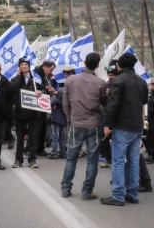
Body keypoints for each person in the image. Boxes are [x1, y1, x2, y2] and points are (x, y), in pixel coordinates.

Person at [101, 53, 148, 206]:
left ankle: (118, 195)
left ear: (119, 66)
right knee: (133, 161)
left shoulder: (118, 80)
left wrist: (107, 124)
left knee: (118, 161)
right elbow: (145, 100)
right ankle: (133, 194)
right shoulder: (141, 81)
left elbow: (112, 104)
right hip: (137, 125)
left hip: (122, 125)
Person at [60, 53, 107, 200]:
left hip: (76, 123)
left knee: (71, 158)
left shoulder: (70, 80)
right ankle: (87, 192)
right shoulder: (101, 82)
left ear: (84, 62)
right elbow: (104, 105)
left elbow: (65, 104)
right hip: (94, 125)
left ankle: (66, 189)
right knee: (92, 160)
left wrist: (70, 119)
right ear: (97, 65)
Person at [10, 58, 45, 169]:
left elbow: (44, 90)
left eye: (25, 64)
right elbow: (13, 90)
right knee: (20, 138)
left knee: (32, 138)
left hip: (33, 113)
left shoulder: (36, 79)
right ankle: (18, 160)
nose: (24, 66)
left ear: (29, 67)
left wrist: (40, 92)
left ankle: (32, 159)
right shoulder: (16, 79)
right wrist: (19, 77)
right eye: (22, 64)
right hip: (20, 113)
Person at [33, 59, 57, 156]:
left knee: (43, 127)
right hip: (36, 106)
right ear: (45, 67)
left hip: (43, 105)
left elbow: (44, 88)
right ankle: (34, 148)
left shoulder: (44, 77)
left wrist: (49, 90)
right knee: (37, 128)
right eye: (50, 70)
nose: (50, 73)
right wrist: (44, 91)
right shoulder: (36, 76)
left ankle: (40, 148)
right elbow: (35, 89)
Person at [48, 87, 66, 160]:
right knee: (61, 137)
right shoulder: (65, 101)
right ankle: (62, 152)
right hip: (63, 120)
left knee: (55, 136)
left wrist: (54, 95)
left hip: (56, 119)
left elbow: (50, 103)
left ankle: (54, 152)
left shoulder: (57, 100)